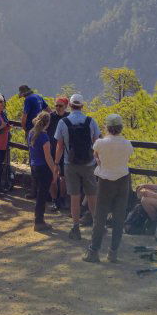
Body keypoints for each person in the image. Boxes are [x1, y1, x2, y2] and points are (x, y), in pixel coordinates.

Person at [83, 114, 134, 263]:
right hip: (123, 181)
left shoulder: (100, 143)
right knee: (119, 218)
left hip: (105, 181)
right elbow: (127, 158)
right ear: (120, 127)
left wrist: (101, 162)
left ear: (107, 127)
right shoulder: (127, 144)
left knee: (100, 217)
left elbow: (96, 156)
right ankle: (113, 253)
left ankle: (94, 251)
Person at [53, 93, 101, 240]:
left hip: (70, 164)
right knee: (92, 196)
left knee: (74, 197)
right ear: (82, 106)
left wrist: (56, 164)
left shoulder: (63, 122)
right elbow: (97, 144)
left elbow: (59, 146)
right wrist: (99, 161)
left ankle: (75, 228)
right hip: (88, 164)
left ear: (70, 106)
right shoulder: (91, 121)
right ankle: (97, 227)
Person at [27, 112, 60, 231]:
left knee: (39, 194)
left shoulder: (31, 133)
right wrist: (54, 170)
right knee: (42, 195)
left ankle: (39, 219)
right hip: (43, 168)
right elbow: (48, 157)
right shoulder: (44, 137)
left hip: (35, 166)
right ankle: (39, 221)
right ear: (48, 123)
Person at [19, 85, 49, 199]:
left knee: (33, 160)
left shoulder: (28, 100)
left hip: (32, 131)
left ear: (23, 94)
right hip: (41, 130)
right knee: (42, 157)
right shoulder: (38, 97)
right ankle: (42, 190)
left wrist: (25, 128)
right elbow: (48, 111)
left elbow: (24, 117)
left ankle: (34, 191)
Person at [46, 96, 70, 211]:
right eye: (56, 105)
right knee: (53, 177)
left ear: (66, 106)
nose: (58, 108)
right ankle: (55, 200)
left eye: (60, 106)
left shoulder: (69, 117)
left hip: (65, 152)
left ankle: (62, 198)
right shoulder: (51, 117)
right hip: (51, 151)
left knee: (63, 177)